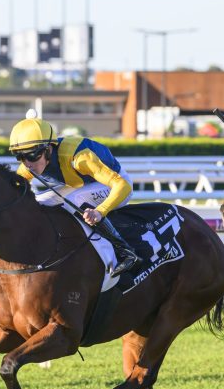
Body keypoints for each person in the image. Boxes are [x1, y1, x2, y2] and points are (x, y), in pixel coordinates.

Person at [8, 116, 141, 276]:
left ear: (48, 149)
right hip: (81, 185)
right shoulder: (29, 164)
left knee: (74, 200)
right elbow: (13, 189)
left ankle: (125, 251)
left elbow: (123, 185)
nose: (27, 163)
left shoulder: (79, 158)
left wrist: (100, 211)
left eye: (31, 155)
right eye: (20, 157)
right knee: (39, 202)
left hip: (116, 184)